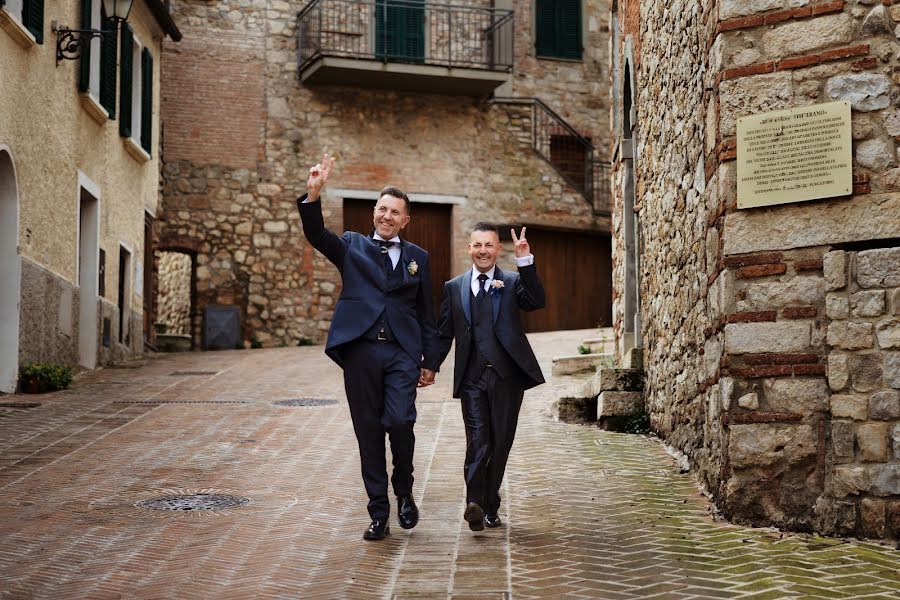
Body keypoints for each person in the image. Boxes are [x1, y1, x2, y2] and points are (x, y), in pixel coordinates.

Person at [296, 153, 439, 541]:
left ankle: (404, 490)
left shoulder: (418, 259)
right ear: (374, 213)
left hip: (401, 353)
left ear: (405, 220)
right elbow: (316, 235)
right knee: (368, 433)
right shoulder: (352, 246)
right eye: (381, 209)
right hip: (360, 353)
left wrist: (432, 361)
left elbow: (427, 314)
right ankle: (379, 513)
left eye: (395, 212)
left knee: (399, 421)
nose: (387, 216)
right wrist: (313, 194)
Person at [436, 222, 545, 531]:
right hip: (471, 378)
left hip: (507, 378)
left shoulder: (510, 282)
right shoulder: (453, 287)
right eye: (477, 245)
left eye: (489, 245)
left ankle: (490, 503)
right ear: (469, 248)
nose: (483, 251)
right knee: (478, 440)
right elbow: (444, 334)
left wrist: (525, 262)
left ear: (499, 250)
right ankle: (475, 502)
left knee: (500, 442)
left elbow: (536, 301)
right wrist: (430, 365)